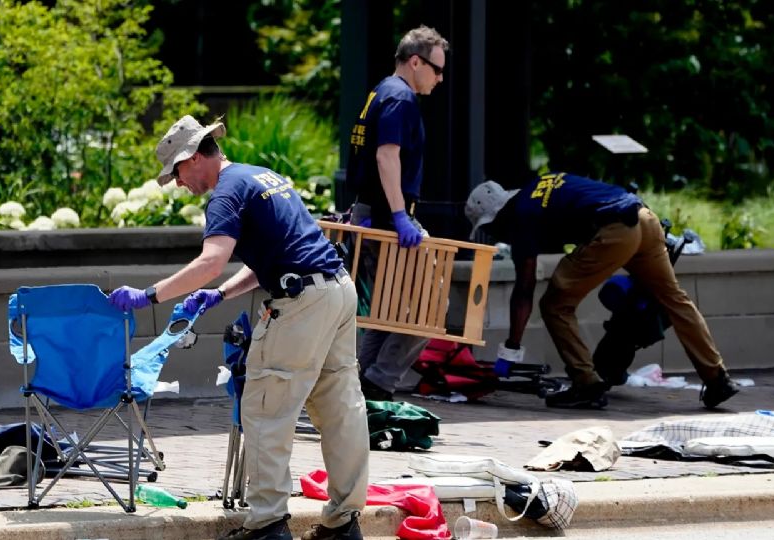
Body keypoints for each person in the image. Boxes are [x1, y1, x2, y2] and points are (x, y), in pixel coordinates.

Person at [108, 116, 369, 540]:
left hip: (301, 303)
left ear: (193, 157)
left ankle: (267, 524)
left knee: (266, 409)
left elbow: (210, 261)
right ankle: (343, 523)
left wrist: (149, 295)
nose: (177, 183)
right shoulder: (263, 177)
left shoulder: (225, 194)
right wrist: (222, 294)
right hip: (337, 292)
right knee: (341, 410)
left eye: (176, 171)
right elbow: (275, 253)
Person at [464, 174, 740, 410]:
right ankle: (717, 378)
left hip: (616, 229)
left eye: (490, 227)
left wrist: (512, 347)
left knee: (555, 304)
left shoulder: (520, 216)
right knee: (673, 299)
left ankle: (586, 384)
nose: (496, 234)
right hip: (644, 218)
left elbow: (525, 288)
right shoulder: (540, 185)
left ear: (497, 217)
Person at [346, 25, 449, 401]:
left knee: (390, 307)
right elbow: (386, 155)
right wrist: (399, 215)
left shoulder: (380, 92)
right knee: (430, 304)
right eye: (437, 70)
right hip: (388, 215)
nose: (440, 78)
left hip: (373, 211)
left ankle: (364, 383)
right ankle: (379, 380)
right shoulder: (400, 99)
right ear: (416, 61)